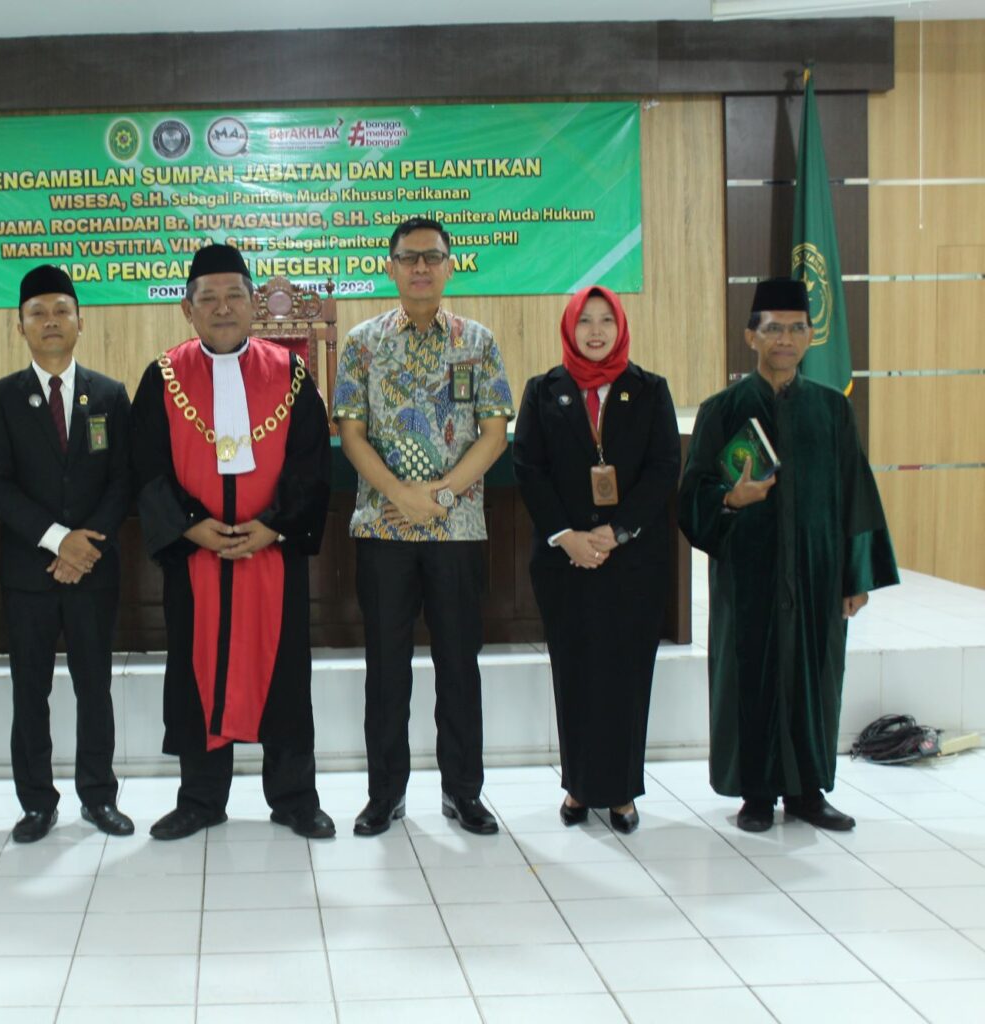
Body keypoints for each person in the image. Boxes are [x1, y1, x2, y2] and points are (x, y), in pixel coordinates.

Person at [130, 243, 334, 841]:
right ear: (187, 309)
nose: (223, 308)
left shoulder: (290, 373)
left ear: (253, 304)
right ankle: (200, 799)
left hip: (271, 553)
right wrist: (189, 525)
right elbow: (145, 465)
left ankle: (294, 798)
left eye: (234, 295)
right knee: (197, 674)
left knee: (285, 675)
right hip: (196, 556)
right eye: (209, 298)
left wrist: (274, 524)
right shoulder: (164, 375)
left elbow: (311, 461)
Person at [680, 277, 898, 833]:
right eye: (773, 328)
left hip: (816, 574)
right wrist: (731, 498)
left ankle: (807, 792)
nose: (785, 339)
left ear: (810, 336)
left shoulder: (831, 410)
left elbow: (856, 493)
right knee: (748, 677)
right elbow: (691, 495)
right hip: (748, 576)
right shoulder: (722, 410)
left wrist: (856, 575)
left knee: (814, 677)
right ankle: (755, 794)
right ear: (750, 336)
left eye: (797, 329)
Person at [333, 217, 514, 837]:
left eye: (432, 257)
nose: (420, 267)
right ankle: (385, 795)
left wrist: (438, 495)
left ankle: (463, 793)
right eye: (408, 258)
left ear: (449, 266)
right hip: (384, 529)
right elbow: (351, 433)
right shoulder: (361, 343)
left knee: (458, 665)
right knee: (386, 669)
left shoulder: (478, 342)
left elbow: (494, 433)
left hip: (455, 529)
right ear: (390, 268)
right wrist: (400, 496)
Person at [512, 285, 680, 833]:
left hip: (632, 560)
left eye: (607, 320)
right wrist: (568, 536)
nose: (596, 331)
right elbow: (529, 468)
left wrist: (616, 531)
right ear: (569, 328)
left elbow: (663, 468)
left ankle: (623, 791)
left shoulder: (649, 390)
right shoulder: (543, 391)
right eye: (585, 320)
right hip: (565, 561)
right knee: (575, 671)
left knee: (627, 674)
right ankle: (578, 786)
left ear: (621, 327)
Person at [0, 266, 135, 843]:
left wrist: (85, 545)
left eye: (61, 310)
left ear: (80, 322)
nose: (50, 321)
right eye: (38, 312)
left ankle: (99, 796)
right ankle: (37, 803)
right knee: (31, 692)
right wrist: (56, 539)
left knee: (95, 688)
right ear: (19, 325)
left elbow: (123, 480)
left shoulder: (110, 395)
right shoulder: (0, 398)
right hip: (29, 573)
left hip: (93, 569)